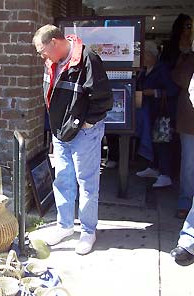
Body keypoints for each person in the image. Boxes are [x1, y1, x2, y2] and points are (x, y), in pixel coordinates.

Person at [32, 24, 113, 255]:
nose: (41, 55)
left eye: (42, 50)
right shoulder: (52, 61)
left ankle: (88, 231)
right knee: (63, 180)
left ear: (55, 43)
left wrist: (86, 123)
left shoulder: (88, 59)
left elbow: (104, 99)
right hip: (61, 133)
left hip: (83, 133)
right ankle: (65, 226)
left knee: (87, 182)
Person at [135, 41, 179, 187]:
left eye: (145, 55)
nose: (143, 58)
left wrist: (154, 92)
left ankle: (166, 174)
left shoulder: (162, 69)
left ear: (151, 55)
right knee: (153, 140)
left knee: (162, 142)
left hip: (161, 112)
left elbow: (173, 90)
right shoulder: (145, 70)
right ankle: (154, 167)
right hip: (149, 111)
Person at [172, 41, 194, 219]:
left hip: (188, 121)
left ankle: (186, 202)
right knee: (189, 164)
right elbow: (179, 78)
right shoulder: (189, 59)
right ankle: (185, 202)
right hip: (190, 120)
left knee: (189, 163)